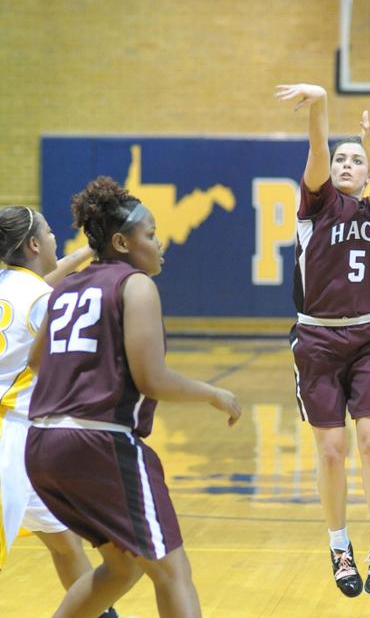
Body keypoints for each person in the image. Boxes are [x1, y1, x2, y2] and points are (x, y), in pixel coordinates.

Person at [25, 176, 242, 618]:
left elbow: (35, 361)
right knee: (172, 572)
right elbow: (152, 379)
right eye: (150, 234)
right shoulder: (135, 284)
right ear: (122, 242)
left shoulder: (66, 288)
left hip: (42, 445)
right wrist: (213, 393)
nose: (160, 243)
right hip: (97, 441)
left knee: (122, 567)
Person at [276, 84, 370, 597]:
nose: (346, 165)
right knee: (331, 451)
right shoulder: (317, 204)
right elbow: (318, 149)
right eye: (342, 159)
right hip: (318, 340)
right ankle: (339, 544)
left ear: (366, 174)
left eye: (355, 161)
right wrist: (321, 101)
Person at [0, 205, 119, 618]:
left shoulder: (13, 284)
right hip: (8, 440)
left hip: (25, 444)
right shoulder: (44, 300)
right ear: (34, 244)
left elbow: (45, 281)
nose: (55, 239)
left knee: (62, 538)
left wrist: (87, 250)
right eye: (49, 232)